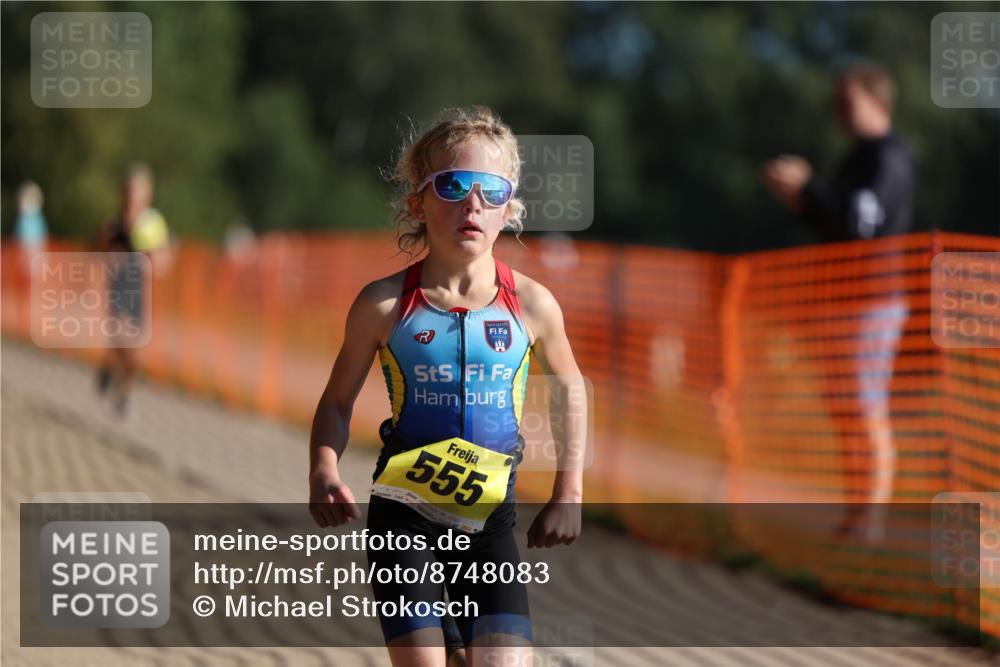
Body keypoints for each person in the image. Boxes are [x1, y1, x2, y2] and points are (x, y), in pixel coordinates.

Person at [308, 107, 585, 667]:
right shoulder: (383, 304)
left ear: (510, 208)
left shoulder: (531, 304)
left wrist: (569, 493)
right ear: (419, 202)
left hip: (489, 526)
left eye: (491, 189)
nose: (472, 203)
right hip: (403, 521)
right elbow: (337, 401)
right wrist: (323, 469)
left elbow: (571, 390)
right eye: (454, 185)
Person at [762, 63, 916, 542]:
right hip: (844, 298)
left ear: (877, 100)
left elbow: (861, 224)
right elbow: (837, 225)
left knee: (866, 408)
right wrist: (804, 201)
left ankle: (871, 520)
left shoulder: (888, 157)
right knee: (846, 410)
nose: (841, 113)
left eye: (849, 102)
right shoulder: (857, 158)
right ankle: (856, 514)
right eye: (838, 104)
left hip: (873, 301)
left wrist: (809, 189)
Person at [93, 162, 171, 416]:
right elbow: (97, 251)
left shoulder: (153, 224)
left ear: (147, 193)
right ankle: (108, 367)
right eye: (127, 190)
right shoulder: (114, 224)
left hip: (141, 291)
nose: (131, 195)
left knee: (132, 348)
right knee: (119, 337)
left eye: (136, 190)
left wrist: (151, 259)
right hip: (117, 288)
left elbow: (163, 260)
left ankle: (124, 393)